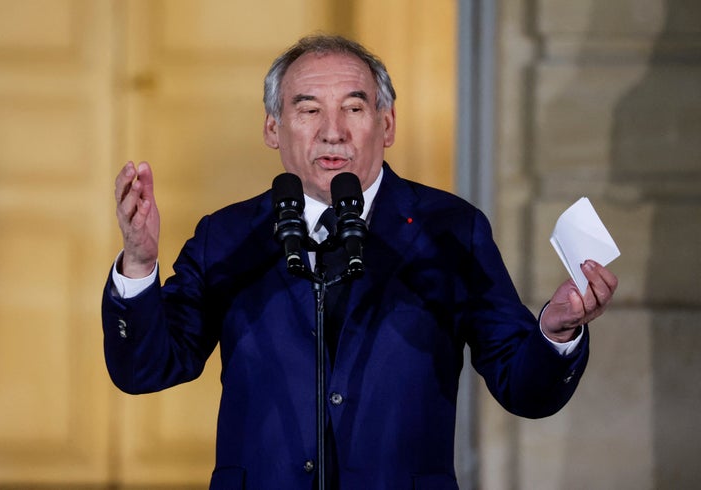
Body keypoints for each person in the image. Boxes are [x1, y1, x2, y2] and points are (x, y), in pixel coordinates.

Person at [102, 35, 617, 490]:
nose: (333, 132)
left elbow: (524, 388)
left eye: (354, 108)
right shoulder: (228, 235)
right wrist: (140, 263)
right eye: (308, 110)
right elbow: (145, 367)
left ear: (386, 124)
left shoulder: (450, 228)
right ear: (272, 128)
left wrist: (555, 333)